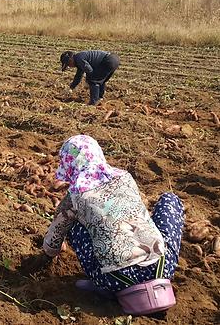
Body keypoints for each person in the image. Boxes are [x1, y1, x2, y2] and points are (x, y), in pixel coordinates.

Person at [40, 135, 183, 315]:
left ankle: (103, 288)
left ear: (69, 166)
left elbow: (54, 239)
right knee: (170, 200)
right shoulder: (125, 177)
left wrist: (48, 253)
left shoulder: (74, 197)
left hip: (114, 279)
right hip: (161, 267)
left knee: (71, 224)